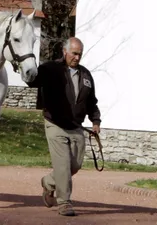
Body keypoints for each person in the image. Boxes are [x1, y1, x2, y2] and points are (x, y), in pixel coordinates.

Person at [26, 37, 101, 216]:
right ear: (65, 51)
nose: (77, 57)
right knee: (63, 166)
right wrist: (26, 66)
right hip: (55, 124)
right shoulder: (51, 69)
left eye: (80, 54)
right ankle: (64, 202)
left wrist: (95, 121)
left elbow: (91, 101)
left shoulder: (86, 75)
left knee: (74, 166)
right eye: (74, 53)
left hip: (76, 126)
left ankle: (48, 182)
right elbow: (32, 80)